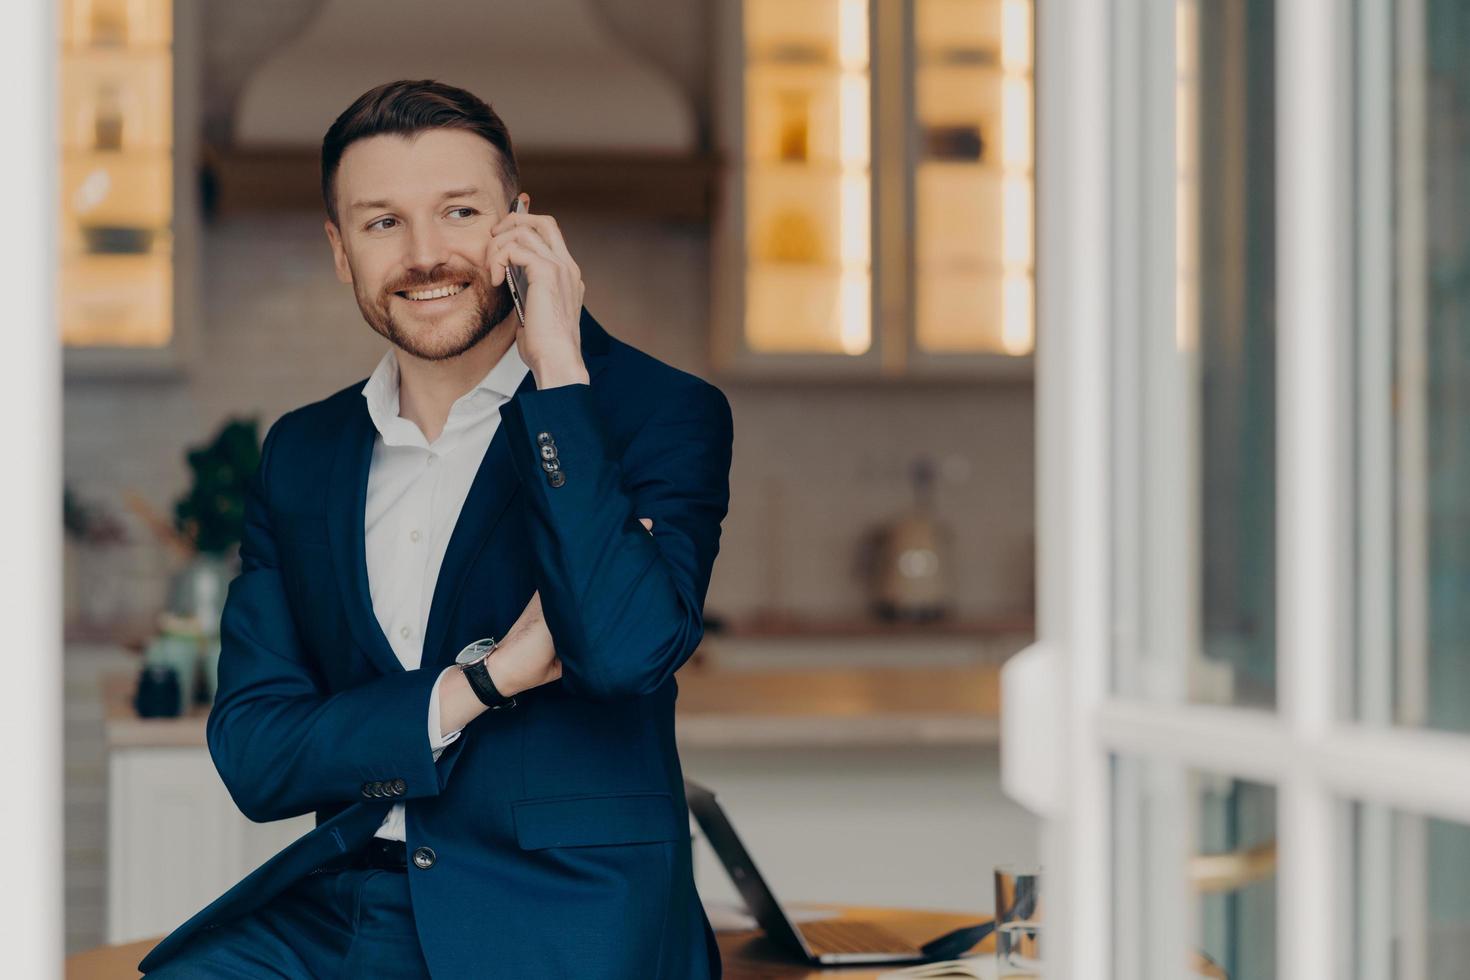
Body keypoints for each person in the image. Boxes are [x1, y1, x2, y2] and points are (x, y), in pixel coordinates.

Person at [139, 78, 732, 979]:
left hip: (560, 920)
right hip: (339, 911)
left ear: (520, 226)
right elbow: (256, 757)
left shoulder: (655, 413)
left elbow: (619, 653)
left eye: (459, 211)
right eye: (382, 223)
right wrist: (483, 684)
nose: (425, 256)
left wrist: (560, 373)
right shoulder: (301, 453)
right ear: (341, 251)